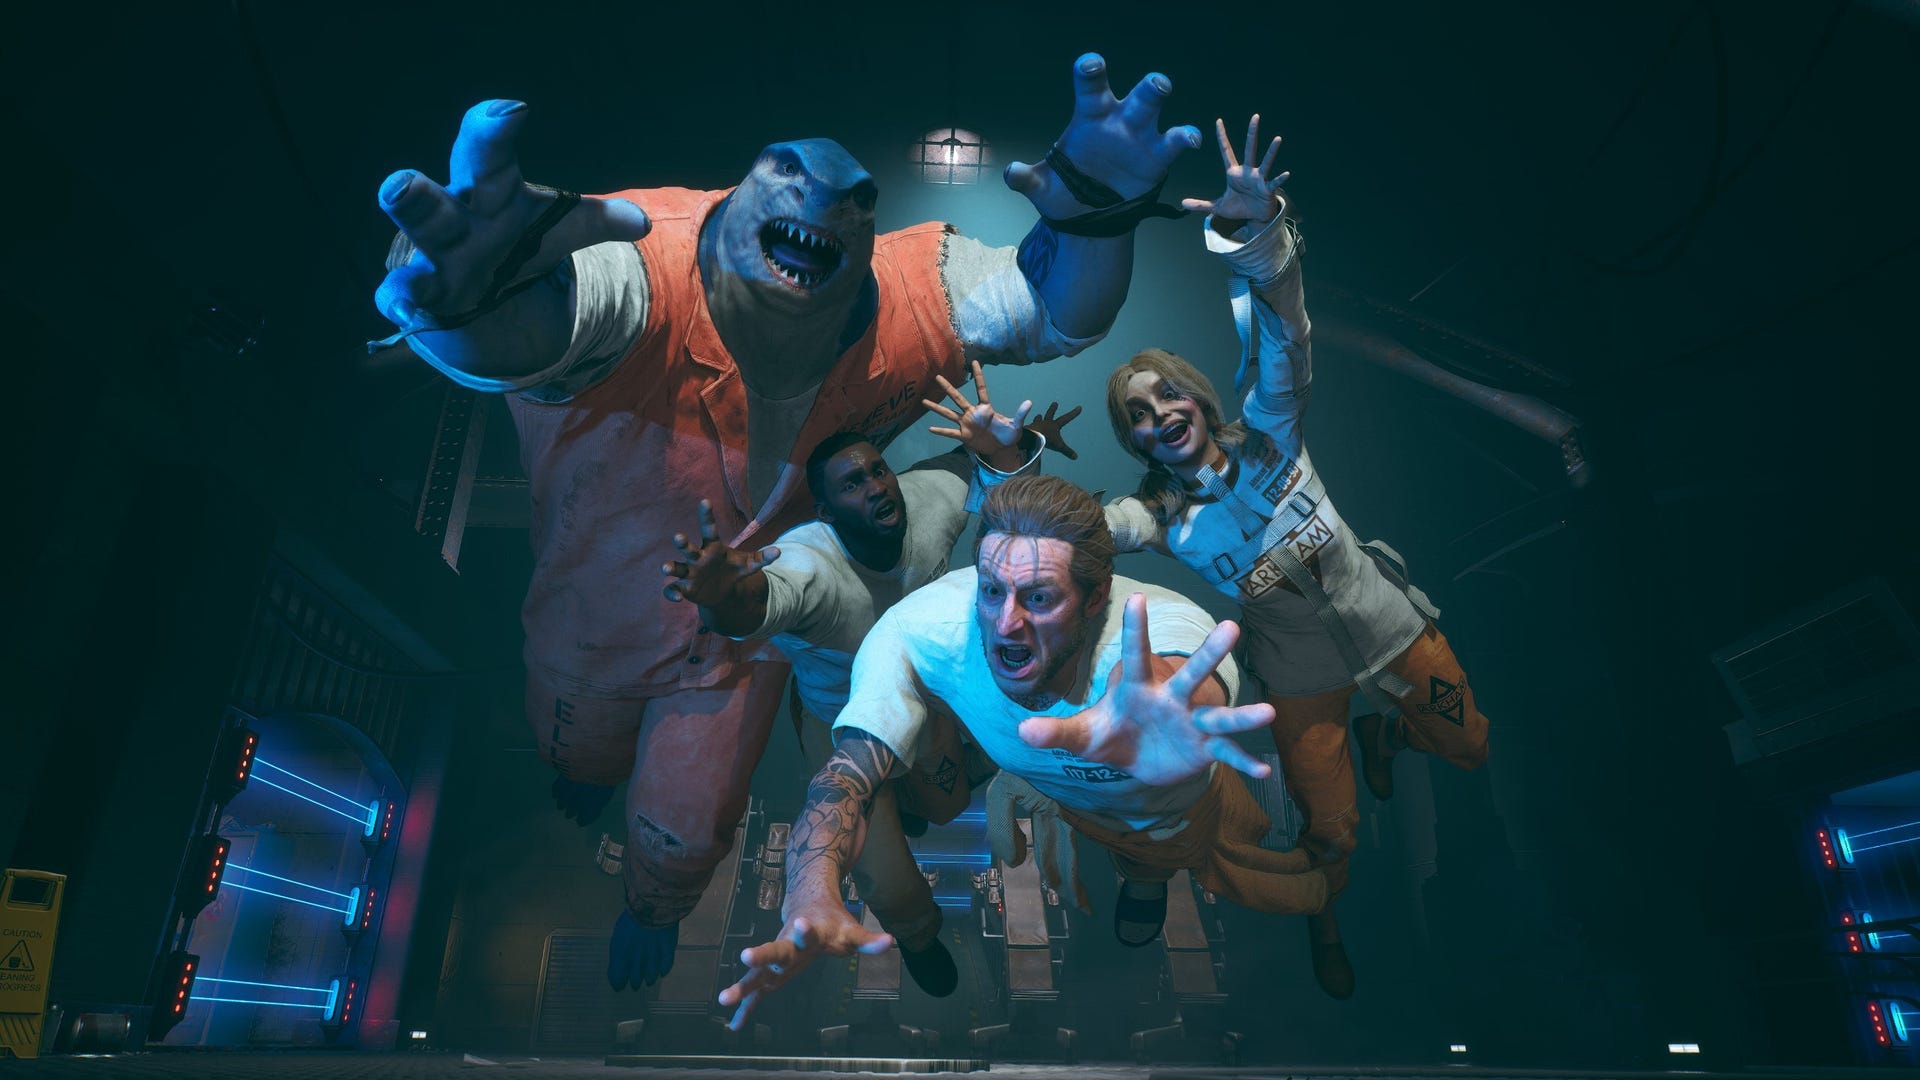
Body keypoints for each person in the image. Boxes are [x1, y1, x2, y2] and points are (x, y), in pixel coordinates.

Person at [368, 55, 1204, 987]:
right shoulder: (642, 263)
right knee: (580, 749)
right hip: (594, 617)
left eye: (856, 200)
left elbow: (1045, 322)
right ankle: (597, 775)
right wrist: (466, 310)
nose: (832, 199)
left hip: (760, 665)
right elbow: (537, 323)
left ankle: (673, 901)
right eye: (792, 177)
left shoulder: (907, 392)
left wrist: (1096, 213)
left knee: (688, 830)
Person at [1100, 115, 1493, 998]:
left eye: (1168, 395)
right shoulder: (1160, 517)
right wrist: (1010, 465)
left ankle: (1386, 732)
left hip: (1393, 632)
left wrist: (1258, 235)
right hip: (1301, 683)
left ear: (1199, 399)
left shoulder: (1271, 434)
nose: (1160, 415)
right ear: (1135, 440)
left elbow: (1286, 340)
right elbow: (1096, 528)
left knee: (1469, 747)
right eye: (1138, 415)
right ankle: (1327, 922)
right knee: (1331, 830)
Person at [717, 475, 1330, 1029]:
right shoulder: (920, 631)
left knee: (1171, 861)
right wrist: (809, 890)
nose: (1005, 624)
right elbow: (845, 777)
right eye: (991, 590)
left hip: (1167, 817)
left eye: (1039, 598)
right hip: (1059, 790)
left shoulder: (1155, 626)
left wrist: (1172, 704)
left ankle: (1147, 878)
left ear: (1096, 598)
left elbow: (1182, 675)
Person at [658, 364, 1072, 996]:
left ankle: (913, 801)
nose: (878, 486)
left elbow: (988, 468)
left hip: (923, 698)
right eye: (854, 484)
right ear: (826, 511)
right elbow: (758, 599)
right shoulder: (811, 561)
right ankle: (919, 936)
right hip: (844, 720)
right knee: (887, 879)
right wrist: (719, 599)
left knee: (946, 804)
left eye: (878, 470)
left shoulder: (927, 499)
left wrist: (1016, 446)